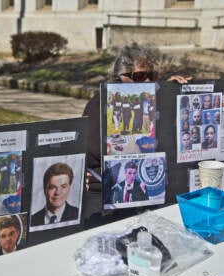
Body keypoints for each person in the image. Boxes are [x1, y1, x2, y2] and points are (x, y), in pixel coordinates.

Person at [82, 42, 191, 226]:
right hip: (105, 196)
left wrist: (172, 92)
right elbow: (91, 153)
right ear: (119, 78)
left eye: (151, 76)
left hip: (151, 193)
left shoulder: (154, 102)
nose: (148, 82)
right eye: (140, 76)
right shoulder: (98, 105)